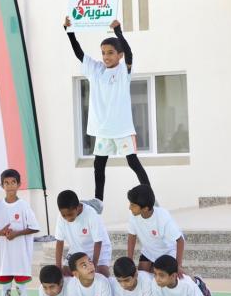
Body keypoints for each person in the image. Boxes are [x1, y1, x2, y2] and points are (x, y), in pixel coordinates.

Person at [64, 16, 151, 206]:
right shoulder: (96, 70)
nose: (106, 56)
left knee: (133, 162)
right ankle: (98, 202)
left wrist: (118, 31)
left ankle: (149, 198)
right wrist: (69, 31)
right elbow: (79, 54)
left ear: (119, 55)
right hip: (103, 129)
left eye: (110, 53)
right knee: (99, 165)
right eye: (103, 53)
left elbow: (130, 54)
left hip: (121, 128)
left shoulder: (123, 71)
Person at [127, 184, 185, 272]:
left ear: (145, 209)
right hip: (149, 251)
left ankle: (196, 280)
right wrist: (129, 260)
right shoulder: (133, 215)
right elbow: (132, 236)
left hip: (167, 252)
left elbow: (180, 240)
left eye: (133, 205)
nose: (129, 208)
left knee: (167, 276)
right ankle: (153, 268)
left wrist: (178, 265)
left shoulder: (163, 217)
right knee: (141, 274)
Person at [55, 190, 112, 277]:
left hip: (98, 249)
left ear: (78, 207)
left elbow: (98, 242)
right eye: (64, 215)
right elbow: (59, 241)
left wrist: (93, 265)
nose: (67, 218)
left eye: (70, 214)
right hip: (76, 249)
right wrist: (58, 266)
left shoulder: (91, 214)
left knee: (101, 274)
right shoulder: (61, 217)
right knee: (66, 274)